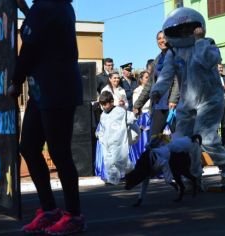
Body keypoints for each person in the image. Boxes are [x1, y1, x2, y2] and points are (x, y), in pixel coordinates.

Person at [8, 0, 86, 234]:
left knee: (59, 152)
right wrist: (24, 10)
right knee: (30, 147)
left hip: (55, 88)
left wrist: (16, 81)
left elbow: (30, 46)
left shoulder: (47, 7)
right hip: (43, 89)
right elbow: (40, 28)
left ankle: (74, 215)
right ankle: (50, 209)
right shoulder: (55, 7)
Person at [150, 7, 225, 191]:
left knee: (205, 138)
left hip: (210, 98)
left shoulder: (207, 43)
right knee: (182, 141)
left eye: (187, 28)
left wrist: (199, 41)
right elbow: (166, 76)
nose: (184, 33)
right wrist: (157, 90)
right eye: (180, 29)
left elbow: (209, 60)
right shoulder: (173, 53)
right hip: (187, 102)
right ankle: (194, 176)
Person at [133, 31, 179, 137]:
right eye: (159, 38)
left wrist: (173, 99)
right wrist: (138, 104)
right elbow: (149, 85)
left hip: (173, 106)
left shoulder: (175, 55)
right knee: (154, 139)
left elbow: (177, 80)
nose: (162, 40)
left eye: (164, 38)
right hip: (158, 106)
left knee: (178, 139)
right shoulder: (157, 60)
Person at [96, 91, 136, 185]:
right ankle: (112, 179)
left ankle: (132, 174)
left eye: (106, 104)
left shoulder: (120, 111)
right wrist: (100, 135)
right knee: (109, 161)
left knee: (120, 160)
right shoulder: (103, 115)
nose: (105, 106)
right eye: (103, 105)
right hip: (107, 142)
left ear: (112, 101)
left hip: (119, 141)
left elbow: (130, 118)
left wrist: (133, 119)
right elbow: (102, 127)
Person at [129, 71, 152, 165]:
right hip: (144, 116)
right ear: (141, 79)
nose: (148, 79)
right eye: (146, 77)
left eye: (149, 77)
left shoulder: (153, 88)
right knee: (144, 139)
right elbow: (137, 105)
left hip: (152, 115)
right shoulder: (137, 91)